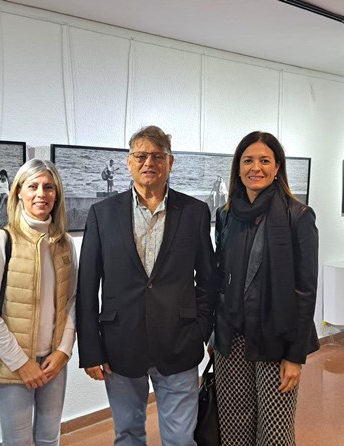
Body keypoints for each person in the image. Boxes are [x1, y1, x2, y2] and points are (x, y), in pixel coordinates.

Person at [77, 125, 217, 446]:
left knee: (181, 439)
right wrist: (90, 349)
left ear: (171, 162)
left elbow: (208, 280)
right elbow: (87, 286)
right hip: (119, 344)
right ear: (129, 162)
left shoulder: (194, 212)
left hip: (179, 342)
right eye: (140, 155)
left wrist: (200, 328)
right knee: (127, 434)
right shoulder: (103, 214)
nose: (148, 162)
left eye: (157, 156)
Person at [211, 131, 319, 446]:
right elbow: (220, 278)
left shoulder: (298, 217)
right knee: (234, 430)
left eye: (264, 160)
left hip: (276, 341)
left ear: (277, 167)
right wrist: (214, 334)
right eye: (248, 160)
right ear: (238, 167)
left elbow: (305, 291)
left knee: (274, 434)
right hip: (231, 341)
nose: (255, 167)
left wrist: (295, 356)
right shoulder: (226, 215)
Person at [0, 159, 78, 446]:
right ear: (18, 191)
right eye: (33, 186)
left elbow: (71, 302)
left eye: (48, 187)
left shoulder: (65, 243)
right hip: (12, 364)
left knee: (49, 439)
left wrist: (63, 352)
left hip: (54, 363)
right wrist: (22, 364)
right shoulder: (1, 241)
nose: (41, 194)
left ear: (56, 194)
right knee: (17, 442)